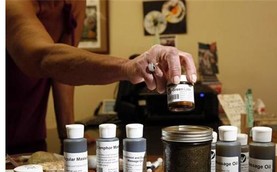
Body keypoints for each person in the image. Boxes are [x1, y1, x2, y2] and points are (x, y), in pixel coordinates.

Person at [6, 0, 197, 154]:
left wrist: (69, 136)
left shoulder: (74, 4)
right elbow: (44, 58)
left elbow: (62, 69)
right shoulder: (11, 5)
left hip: (31, 130)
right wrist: (129, 67)